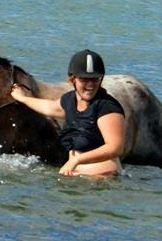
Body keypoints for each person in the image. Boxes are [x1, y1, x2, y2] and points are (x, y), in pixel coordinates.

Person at [10, 49, 125, 177]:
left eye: (95, 79)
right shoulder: (70, 100)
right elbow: (50, 108)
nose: (90, 84)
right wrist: (23, 98)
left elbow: (115, 147)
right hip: (74, 171)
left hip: (102, 175)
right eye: (84, 79)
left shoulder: (107, 107)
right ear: (72, 79)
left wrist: (77, 160)